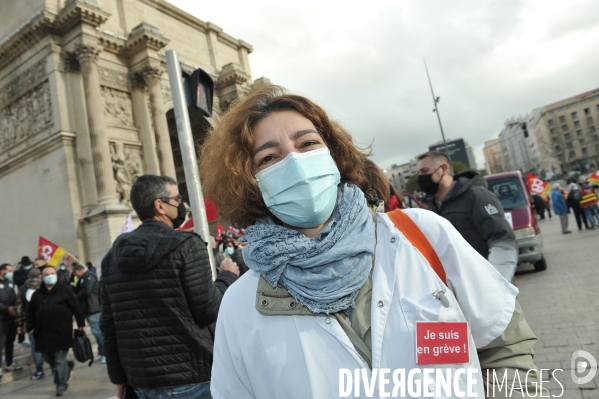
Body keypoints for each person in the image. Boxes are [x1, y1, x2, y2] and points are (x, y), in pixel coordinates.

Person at [200, 86, 545, 398]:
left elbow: (505, 345)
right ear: (251, 182)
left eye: (307, 144)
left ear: (335, 156)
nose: (295, 161)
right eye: (269, 158)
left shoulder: (422, 235)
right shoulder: (240, 306)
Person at [100, 174, 240, 399]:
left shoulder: (111, 258)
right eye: (177, 199)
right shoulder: (186, 246)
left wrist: (118, 379)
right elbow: (208, 310)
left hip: (142, 382)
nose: (181, 206)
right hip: (192, 377)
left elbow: (108, 325)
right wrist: (227, 276)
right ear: (160, 205)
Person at [415, 151, 518, 282]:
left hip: (487, 287)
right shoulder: (430, 209)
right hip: (460, 290)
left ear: (444, 169)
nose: (421, 177)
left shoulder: (476, 197)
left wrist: (495, 283)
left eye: (424, 171)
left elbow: (502, 241)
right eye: (418, 173)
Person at [26, 266, 85, 396]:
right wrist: (30, 327)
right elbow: (30, 313)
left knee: (59, 358)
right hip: (43, 332)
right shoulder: (37, 294)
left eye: (53, 273)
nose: (50, 276)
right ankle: (67, 366)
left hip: (61, 330)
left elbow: (76, 307)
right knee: (46, 356)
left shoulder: (65, 290)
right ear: (42, 277)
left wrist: (81, 323)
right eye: (47, 274)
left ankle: (61, 384)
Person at [72, 263, 104, 363]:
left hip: (93, 309)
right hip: (88, 309)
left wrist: (75, 299)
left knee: (98, 332)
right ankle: (101, 352)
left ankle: (105, 353)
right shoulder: (83, 278)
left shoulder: (89, 277)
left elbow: (86, 291)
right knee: (96, 332)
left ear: (76, 271)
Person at [18, 268, 44, 379]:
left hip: (31, 322)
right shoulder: (44, 286)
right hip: (46, 320)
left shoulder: (22, 289)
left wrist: (19, 324)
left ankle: (39, 371)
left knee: (35, 347)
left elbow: (19, 308)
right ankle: (55, 367)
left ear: (28, 276)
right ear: (40, 276)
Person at [0, 263, 24, 377]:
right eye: (9, 270)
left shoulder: (10, 283)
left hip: (11, 317)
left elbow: (14, 297)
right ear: (2, 271)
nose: (11, 273)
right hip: (1, 319)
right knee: (1, 343)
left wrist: (16, 307)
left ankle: (9, 363)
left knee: (10, 342)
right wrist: (6, 308)